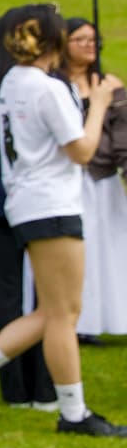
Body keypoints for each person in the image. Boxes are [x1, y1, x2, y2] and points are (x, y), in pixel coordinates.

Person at [0, 5, 126, 436]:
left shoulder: (14, 80)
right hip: (52, 204)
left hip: (28, 201)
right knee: (64, 313)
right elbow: (82, 150)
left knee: (52, 311)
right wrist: (99, 102)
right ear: (55, 40)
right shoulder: (46, 88)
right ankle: (73, 413)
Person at [0, 16, 56, 410]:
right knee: (43, 295)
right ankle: (41, 385)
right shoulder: (26, 89)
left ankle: (16, 388)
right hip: (30, 198)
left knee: (11, 290)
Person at [61, 20, 127, 339]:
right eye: (80, 39)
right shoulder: (57, 85)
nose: (89, 45)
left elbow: (122, 135)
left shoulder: (108, 84)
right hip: (69, 178)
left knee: (107, 248)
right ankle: (77, 320)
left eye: (93, 39)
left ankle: (104, 317)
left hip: (103, 178)